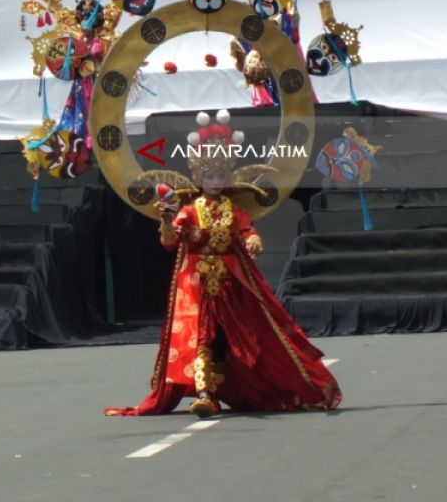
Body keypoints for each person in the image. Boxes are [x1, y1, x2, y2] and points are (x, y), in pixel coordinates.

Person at [106, 110, 341, 417]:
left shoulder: (234, 209)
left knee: (235, 339)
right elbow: (170, 242)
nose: (215, 182)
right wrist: (165, 221)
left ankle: (230, 388)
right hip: (195, 284)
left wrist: (254, 240)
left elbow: (247, 231)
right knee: (201, 335)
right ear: (199, 177)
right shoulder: (189, 211)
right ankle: (205, 393)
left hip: (232, 283)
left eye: (219, 176)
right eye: (209, 176)